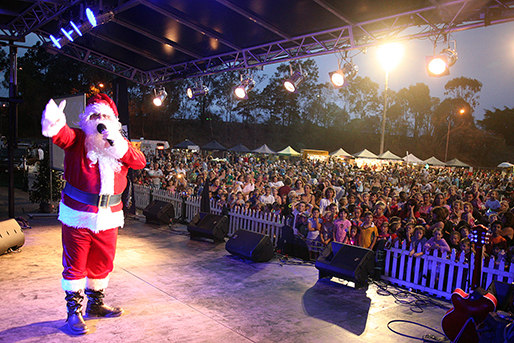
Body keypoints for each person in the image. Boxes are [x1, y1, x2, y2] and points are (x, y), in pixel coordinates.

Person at [41, 94, 146, 335]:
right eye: (95, 116)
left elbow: (139, 161)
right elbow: (61, 135)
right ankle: (73, 312)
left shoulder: (120, 145)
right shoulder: (78, 139)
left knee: (102, 262)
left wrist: (117, 143)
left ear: (113, 121)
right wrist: (55, 121)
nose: (100, 120)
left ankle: (96, 305)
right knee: (75, 264)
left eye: (104, 116)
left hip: (109, 217)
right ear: (87, 120)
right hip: (77, 215)